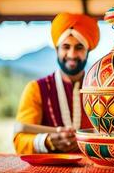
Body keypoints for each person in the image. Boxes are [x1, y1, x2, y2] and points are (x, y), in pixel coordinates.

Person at [13, 12, 100, 154]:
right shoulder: (36, 89)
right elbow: (19, 141)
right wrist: (47, 141)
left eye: (79, 47)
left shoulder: (100, 93)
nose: (72, 55)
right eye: (66, 47)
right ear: (57, 49)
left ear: (87, 50)